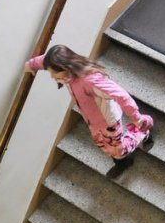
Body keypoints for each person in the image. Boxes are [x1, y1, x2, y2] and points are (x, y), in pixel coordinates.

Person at [25, 44, 154, 179]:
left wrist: (137, 119)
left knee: (117, 150)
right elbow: (44, 61)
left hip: (109, 122)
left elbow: (122, 96)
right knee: (102, 145)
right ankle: (122, 159)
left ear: (65, 67)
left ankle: (142, 131)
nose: (52, 76)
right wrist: (30, 65)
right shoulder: (66, 73)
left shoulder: (90, 81)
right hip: (93, 121)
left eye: (54, 72)